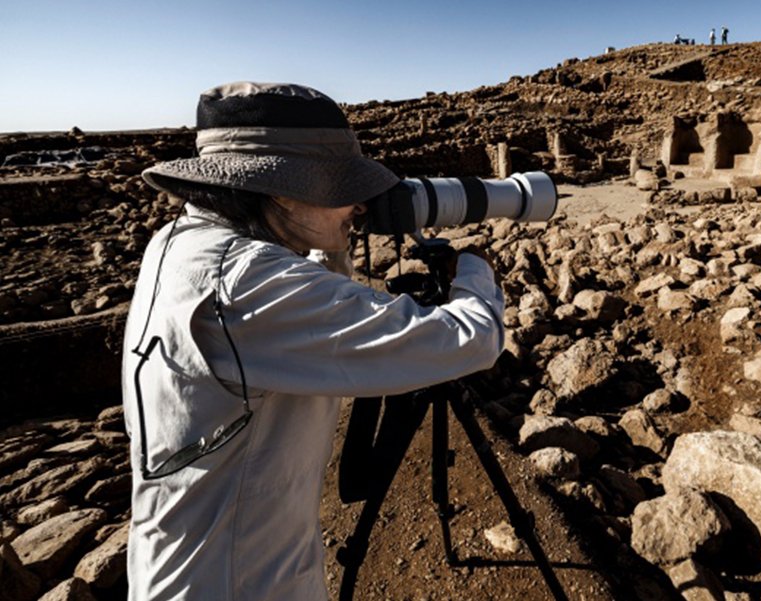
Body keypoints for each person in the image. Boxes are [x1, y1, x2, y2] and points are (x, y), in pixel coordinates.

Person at [122, 81, 505, 600]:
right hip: (242, 584)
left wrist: (328, 239)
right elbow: (469, 340)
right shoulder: (247, 284)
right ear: (279, 188)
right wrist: (477, 274)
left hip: (187, 568)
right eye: (341, 187)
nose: (359, 205)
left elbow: (306, 300)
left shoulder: (180, 245)